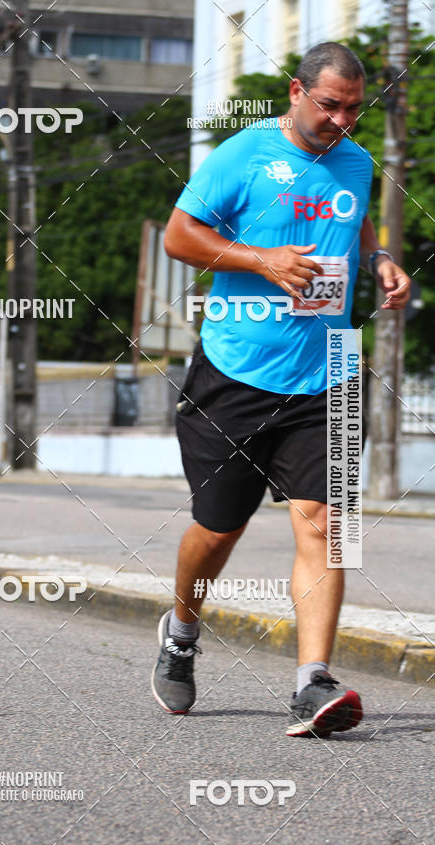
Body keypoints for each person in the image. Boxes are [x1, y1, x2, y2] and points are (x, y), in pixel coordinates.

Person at [152, 43, 411, 736]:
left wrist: (381, 258)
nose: (342, 121)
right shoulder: (244, 154)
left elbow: (353, 218)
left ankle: (312, 681)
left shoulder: (356, 160)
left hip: (330, 371)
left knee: (325, 526)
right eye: (329, 105)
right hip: (235, 371)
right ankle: (181, 632)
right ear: (297, 91)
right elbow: (180, 236)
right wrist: (260, 260)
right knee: (218, 530)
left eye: (353, 109)